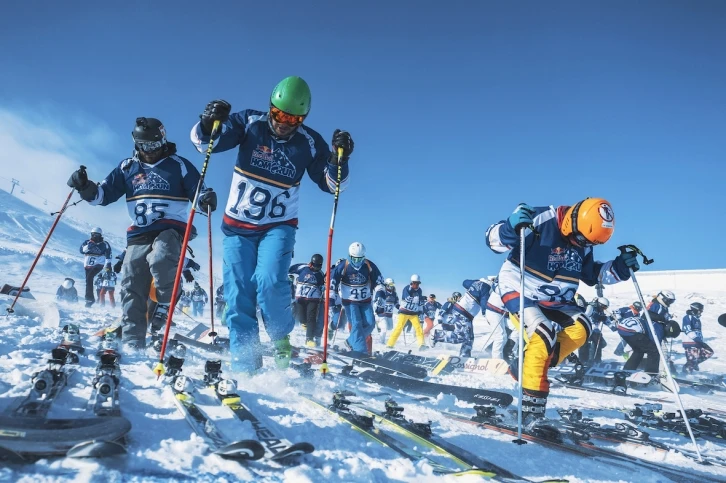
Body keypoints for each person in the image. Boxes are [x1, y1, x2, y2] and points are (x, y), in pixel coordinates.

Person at [190, 76, 354, 373]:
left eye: (293, 119)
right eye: (278, 114)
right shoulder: (250, 123)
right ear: (270, 107)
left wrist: (338, 160)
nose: (283, 123)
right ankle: (246, 363)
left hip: (277, 226)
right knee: (238, 292)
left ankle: (280, 337)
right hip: (238, 226)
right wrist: (208, 120)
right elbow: (205, 143)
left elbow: (333, 186)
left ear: (302, 118)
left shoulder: (309, 142)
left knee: (268, 281)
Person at [67, 117, 216, 349]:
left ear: (163, 141)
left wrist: (206, 199)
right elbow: (102, 196)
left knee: (161, 258)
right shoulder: (127, 167)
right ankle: (133, 340)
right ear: (136, 143)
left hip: (170, 228)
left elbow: (198, 192)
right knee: (131, 281)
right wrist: (85, 186)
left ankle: (167, 298)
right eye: (144, 145)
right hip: (139, 232)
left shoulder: (178, 164)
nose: (150, 150)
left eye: (155, 145)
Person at [485, 198, 640, 420]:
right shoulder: (540, 218)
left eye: (588, 243)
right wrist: (510, 227)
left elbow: (591, 275)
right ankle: (530, 408)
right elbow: (493, 242)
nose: (581, 244)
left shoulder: (583, 241)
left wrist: (619, 268)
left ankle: (526, 364)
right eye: (580, 239)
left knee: (582, 327)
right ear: (572, 220)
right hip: (522, 290)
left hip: (556, 299)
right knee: (543, 333)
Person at [331, 242, 383, 354]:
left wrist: (380, 295)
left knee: (370, 324)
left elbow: (379, 281)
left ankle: (351, 341)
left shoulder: (368, 265)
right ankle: (361, 351)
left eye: (360, 259)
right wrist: (331, 295)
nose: (357, 262)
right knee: (356, 323)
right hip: (350, 302)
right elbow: (333, 280)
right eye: (354, 259)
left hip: (365, 301)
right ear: (350, 256)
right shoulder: (344, 266)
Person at [616, 300, 680, 375]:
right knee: (654, 351)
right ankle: (651, 374)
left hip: (623, 329)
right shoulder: (659, 329)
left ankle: (628, 370)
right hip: (632, 331)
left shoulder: (655, 323)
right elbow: (657, 346)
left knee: (639, 350)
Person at [431, 279, 491, 357]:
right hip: (463, 312)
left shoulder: (475, 283)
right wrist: (485, 313)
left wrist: (474, 282)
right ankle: (436, 335)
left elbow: (465, 283)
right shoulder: (486, 288)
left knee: (469, 338)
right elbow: (484, 301)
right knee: (461, 337)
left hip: (463, 312)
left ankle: (464, 355)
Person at [289, 254, 326, 347]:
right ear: (311, 263)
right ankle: (305, 324)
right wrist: (289, 276)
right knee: (302, 318)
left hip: (313, 299)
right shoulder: (303, 268)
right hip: (300, 298)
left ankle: (309, 339)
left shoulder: (320, 274)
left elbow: (323, 284)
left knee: (311, 318)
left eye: (318, 266)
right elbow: (290, 269)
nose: (316, 268)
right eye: (315, 265)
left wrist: (323, 288)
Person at [386, 275, 426, 350]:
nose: (417, 285)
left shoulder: (419, 290)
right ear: (412, 282)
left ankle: (422, 345)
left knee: (419, 328)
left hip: (413, 313)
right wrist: (418, 299)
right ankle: (390, 344)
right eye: (415, 283)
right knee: (399, 328)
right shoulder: (407, 288)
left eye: (418, 283)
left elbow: (419, 303)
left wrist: (421, 310)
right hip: (404, 312)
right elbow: (407, 298)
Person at [483, 276, 514, 361]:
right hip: (493, 311)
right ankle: (497, 360)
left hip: (502, 313)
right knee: (500, 336)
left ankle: (505, 350)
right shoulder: (502, 284)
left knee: (516, 328)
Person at [80, 228, 112, 307]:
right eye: (93, 234)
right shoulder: (87, 242)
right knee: (88, 280)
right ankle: (89, 299)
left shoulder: (104, 244)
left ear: (100, 235)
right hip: (88, 264)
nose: (94, 236)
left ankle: (89, 299)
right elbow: (81, 250)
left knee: (90, 277)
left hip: (99, 263)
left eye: (96, 235)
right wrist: (89, 246)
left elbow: (108, 254)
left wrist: (108, 266)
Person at [682, 302, 713, 374]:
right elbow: (687, 330)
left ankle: (694, 364)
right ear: (695, 309)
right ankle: (686, 374)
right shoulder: (688, 317)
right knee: (691, 360)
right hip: (690, 342)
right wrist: (696, 338)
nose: (701, 312)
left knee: (709, 352)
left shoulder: (697, 319)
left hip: (698, 342)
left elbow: (698, 331)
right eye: (700, 310)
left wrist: (700, 341)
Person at [578, 297, 610, 364]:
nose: (604, 309)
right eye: (603, 307)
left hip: (595, 330)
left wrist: (608, 320)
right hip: (586, 328)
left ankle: (597, 360)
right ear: (599, 304)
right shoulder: (590, 307)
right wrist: (599, 317)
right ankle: (583, 360)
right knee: (586, 345)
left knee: (600, 344)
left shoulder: (600, 310)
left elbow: (604, 319)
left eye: (605, 308)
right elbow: (586, 315)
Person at [373, 278, 399, 344]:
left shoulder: (394, 294)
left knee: (390, 328)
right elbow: (376, 301)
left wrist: (399, 307)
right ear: (386, 285)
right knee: (384, 328)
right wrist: (377, 310)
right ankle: (381, 342)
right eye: (390, 285)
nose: (391, 287)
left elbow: (396, 302)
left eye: (392, 285)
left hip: (389, 314)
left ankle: (379, 326)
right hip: (382, 313)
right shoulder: (383, 292)